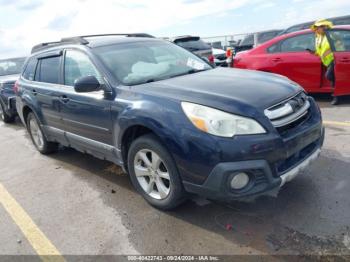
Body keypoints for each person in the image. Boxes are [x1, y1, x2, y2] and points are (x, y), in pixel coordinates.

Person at [309, 19, 338, 105]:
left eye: (318, 28)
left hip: (335, 59)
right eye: (316, 28)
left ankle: (336, 96)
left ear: (324, 27)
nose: (316, 30)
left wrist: (328, 53)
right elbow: (320, 50)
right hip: (327, 61)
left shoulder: (331, 35)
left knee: (329, 76)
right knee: (333, 78)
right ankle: (337, 95)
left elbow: (337, 45)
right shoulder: (319, 37)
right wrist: (314, 52)